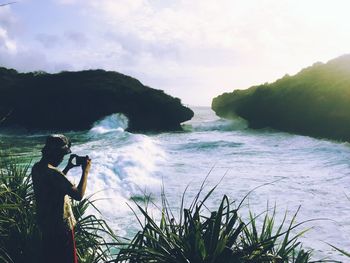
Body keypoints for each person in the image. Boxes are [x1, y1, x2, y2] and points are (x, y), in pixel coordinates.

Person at [31, 134, 91, 263]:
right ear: (55, 154)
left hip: (46, 225)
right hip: (61, 228)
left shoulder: (37, 168)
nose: (61, 158)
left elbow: (54, 185)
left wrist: (68, 168)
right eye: (61, 155)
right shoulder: (54, 173)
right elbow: (79, 195)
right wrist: (85, 171)